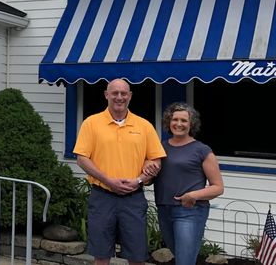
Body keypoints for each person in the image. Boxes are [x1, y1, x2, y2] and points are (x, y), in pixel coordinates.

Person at [73, 78, 167, 265]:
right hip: (102, 197)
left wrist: (139, 180)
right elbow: (82, 159)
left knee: (137, 255)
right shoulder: (91, 123)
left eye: (124, 93)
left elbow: (156, 160)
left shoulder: (144, 126)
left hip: (133, 198)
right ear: (106, 95)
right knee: (101, 255)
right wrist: (108, 181)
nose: (119, 97)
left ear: (130, 96)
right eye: (115, 93)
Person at [154, 102, 224, 265]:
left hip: (189, 211)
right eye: (175, 119)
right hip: (164, 209)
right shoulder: (159, 148)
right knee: (179, 256)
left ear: (191, 124)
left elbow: (218, 187)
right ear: (168, 122)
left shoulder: (202, 150)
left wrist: (193, 195)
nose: (178, 124)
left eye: (184, 121)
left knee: (184, 260)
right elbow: (152, 176)